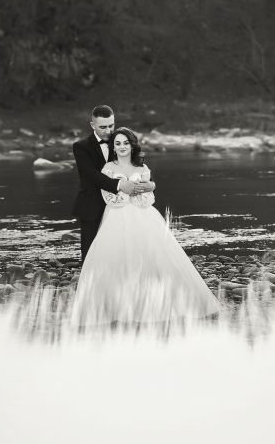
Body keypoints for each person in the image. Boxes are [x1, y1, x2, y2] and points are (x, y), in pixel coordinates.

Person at [71, 126, 221, 326]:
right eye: (118, 143)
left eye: (126, 143)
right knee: (115, 257)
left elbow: (148, 198)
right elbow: (108, 196)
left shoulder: (142, 168)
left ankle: (159, 302)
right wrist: (127, 190)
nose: (122, 147)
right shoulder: (108, 168)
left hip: (143, 215)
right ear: (113, 147)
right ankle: (113, 307)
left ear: (132, 146)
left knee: (152, 255)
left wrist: (143, 188)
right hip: (116, 215)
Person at [72, 104, 155, 261]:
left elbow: (137, 168)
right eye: (103, 127)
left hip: (122, 208)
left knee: (124, 251)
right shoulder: (81, 147)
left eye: (111, 125)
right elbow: (91, 175)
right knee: (90, 254)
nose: (108, 131)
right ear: (92, 125)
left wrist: (151, 184)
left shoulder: (120, 141)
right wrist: (120, 185)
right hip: (92, 205)